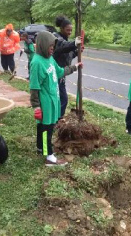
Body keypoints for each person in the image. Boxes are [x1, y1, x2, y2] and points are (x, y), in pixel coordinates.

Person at [30, 31, 83, 166]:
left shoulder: (50, 59)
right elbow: (34, 87)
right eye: (50, 46)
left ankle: (41, 147)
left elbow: (60, 72)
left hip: (53, 100)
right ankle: (49, 156)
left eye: (53, 46)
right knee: (46, 129)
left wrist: (74, 67)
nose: (52, 49)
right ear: (42, 45)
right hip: (45, 103)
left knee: (45, 127)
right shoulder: (37, 62)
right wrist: (36, 106)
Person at [53, 15, 82, 117]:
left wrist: (76, 52)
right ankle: (57, 120)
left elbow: (68, 55)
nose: (69, 32)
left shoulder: (65, 39)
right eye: (67, 30)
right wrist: (74, 43)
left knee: (61, 98)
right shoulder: (56, 38)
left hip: (62, 73)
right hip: (56, 74)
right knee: (62, 99)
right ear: (61, 28)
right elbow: (62, 46)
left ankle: (57, 119)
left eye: (71, 30)